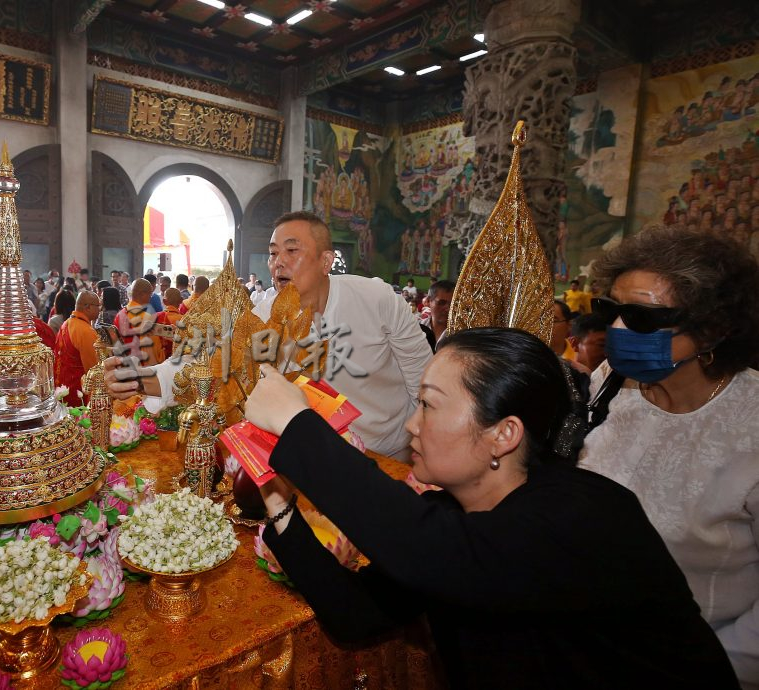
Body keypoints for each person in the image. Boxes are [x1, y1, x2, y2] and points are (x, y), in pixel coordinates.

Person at [246, 327, 737, 688]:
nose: (412, 427)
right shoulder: (457, 513)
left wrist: (298, 423)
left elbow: (435, 550)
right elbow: (355, 614)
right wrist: (279, 504)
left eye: (429, 405)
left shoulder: (586, 514)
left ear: (505, 433)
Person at [579, 226, 759, 687]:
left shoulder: (751, 425)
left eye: (641, 317)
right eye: (611, 310)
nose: (617, 329)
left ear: (713, 328)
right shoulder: (609, 384)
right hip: (584, 645)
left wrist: (715, 670)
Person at [107, 211, 433, 460]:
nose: (278, 263)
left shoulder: (376, 299)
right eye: (274, 253)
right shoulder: (263, 314)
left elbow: (424, 382)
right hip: (318, 459)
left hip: (387, 454)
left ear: (325, 261)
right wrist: (137, 379)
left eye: (292, 251)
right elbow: (200, 365)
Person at [54, 290, 101, 406]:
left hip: (63, 390)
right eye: (98, 306)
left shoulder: (67, 323)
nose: (100, 310)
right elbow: (93, 370)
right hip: (78, 394)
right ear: (88, 307)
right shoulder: (85, 331)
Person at [114, 279, 165, 366]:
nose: (150, 297)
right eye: (150, 294)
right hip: (141, 369)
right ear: (142, 294)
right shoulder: (146, 318)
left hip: (123, 365)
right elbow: (154, 352)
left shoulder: (120, 314)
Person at [418, 279, 454, 351]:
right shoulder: (416, 328)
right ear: (428, 301)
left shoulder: (460, 335)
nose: (448, 308)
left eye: (453, 304)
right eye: (441, 303)